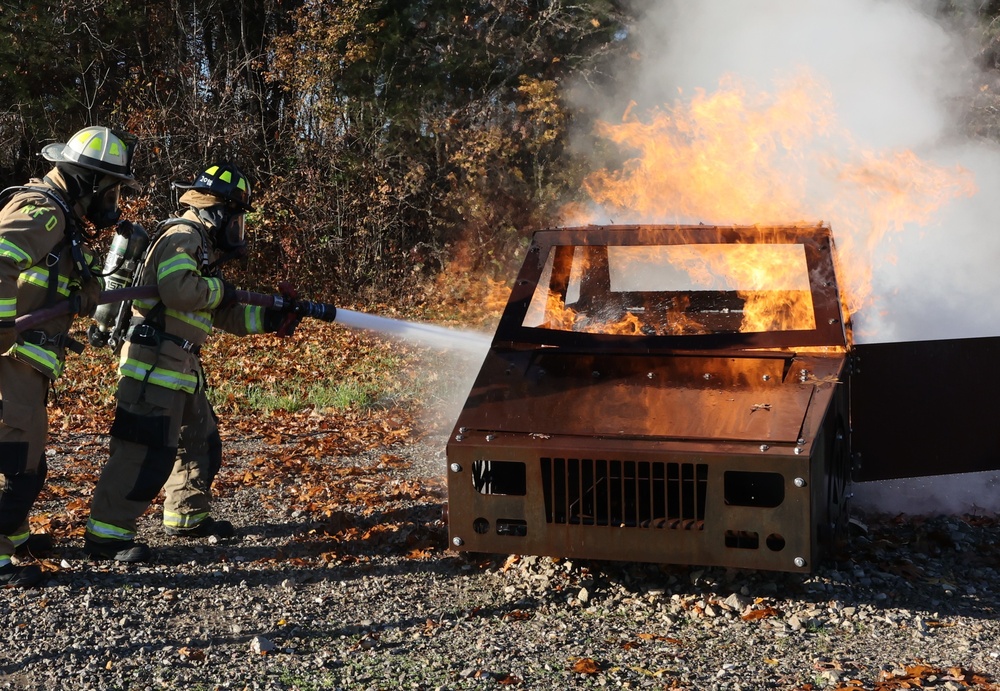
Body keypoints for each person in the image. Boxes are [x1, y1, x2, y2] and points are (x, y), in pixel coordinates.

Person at [83, 162, 300, 562]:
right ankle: (106, 536)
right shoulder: (184, 235)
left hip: (181, 365)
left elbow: (215, 311)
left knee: (199, 444)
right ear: (216, 209)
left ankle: (186, 516)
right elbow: (180, 290)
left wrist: (271, 317)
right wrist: (222, 288)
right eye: (235, 218)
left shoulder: (200, 245)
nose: (236, 229)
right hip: (153, 363)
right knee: (143, 450)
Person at [0, 126, 139, 587]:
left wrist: (86, 289)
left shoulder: (59, 215)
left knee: (26, 456)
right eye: (112, 189)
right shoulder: (43, 212)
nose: (112, 200)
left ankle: (14, 537)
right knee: (16, 458)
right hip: (8, 356)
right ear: (89, 182)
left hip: (25, 361)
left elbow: (50, 279)